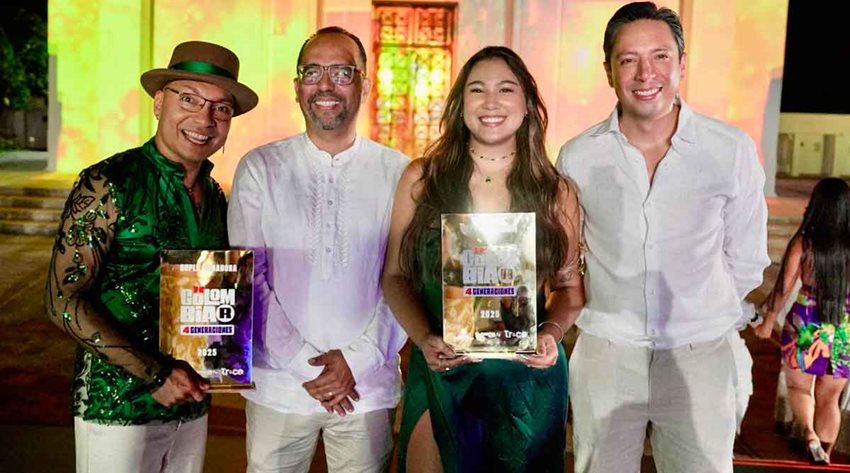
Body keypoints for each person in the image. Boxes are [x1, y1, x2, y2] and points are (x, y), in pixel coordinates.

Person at [555, 2, 770, 472]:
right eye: (628, 59)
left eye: (660, 56)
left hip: (700, 353)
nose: (644, 73)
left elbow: (746, 256)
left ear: (682, 63)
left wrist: (701, 309)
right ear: (608, 70)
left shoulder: (728, 149)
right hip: (608, 350)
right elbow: (567, 253)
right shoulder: (578, 156)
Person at [44, 41, 258, 473]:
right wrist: (156, 374)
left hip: (192, 401)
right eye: (189, 99)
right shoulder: (108, 183)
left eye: (221, 108)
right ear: (159, 103)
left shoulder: (218, 197)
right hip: (115, 405)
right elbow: (62, 301)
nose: (204, 119)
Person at [382, 45, 585, 472]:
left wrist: (550, 333)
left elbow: (570, 289)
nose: (491, 102)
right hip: (443, 365)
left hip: (526, 378)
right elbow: (395, 276)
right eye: (477, 90)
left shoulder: (556, 191)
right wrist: (423, 338)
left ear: (528, 105)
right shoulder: (422, 179)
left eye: (505, 89)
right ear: (460, 106)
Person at [227, 26, 409, 472]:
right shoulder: (260, 168)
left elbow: (405, 277)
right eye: (313, 72)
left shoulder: (398, 172)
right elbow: (249, 278)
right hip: (279, 386)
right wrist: (310, 369)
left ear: (365, 83)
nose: (325, 85)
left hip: (367, 386)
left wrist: (357, 361)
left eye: (342, 72)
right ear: (296, 87)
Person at [755, 177, 850, 465]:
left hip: (806, 324)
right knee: (829, 399)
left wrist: (767, 321)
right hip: (843, 327)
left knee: (798, 388)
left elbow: (783, 289)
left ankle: (809, 433)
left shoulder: (804, 242)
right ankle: (825, 453)